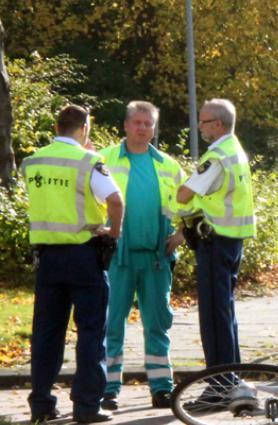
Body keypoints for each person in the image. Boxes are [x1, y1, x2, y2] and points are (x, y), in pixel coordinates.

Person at [23, 105, 124, 424]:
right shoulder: (90, 162)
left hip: (48, 258)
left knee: (46, 333)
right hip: (84, 256)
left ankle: (41, 405)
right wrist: (113, 233)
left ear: (57, 126)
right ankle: (86, 405)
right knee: (92, 331)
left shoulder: (34, 161)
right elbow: (116, 201)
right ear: (84, 128)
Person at [98, 101, 186, 411]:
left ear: (154, 128)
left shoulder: (168, 165)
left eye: (148, 124)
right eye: (137, 122)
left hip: (156, 258)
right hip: (116, 258)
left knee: (158, 323)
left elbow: (191, 204)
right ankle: (107, 388)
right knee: (111, 324)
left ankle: (162, 388)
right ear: (125, 125)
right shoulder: (104, 159)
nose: (142, 128)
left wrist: (181, 235)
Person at [177, 99, 255, 374]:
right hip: (232, 239)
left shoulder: (216, 156)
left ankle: (219, 383)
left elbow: (184, 194)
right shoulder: (236, 149)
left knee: (213, 315)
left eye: (203, 121)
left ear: (218, 124)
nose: (199, 125)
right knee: (225, 311)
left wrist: (178, 197)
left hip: (215, 240)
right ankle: (231, 377)